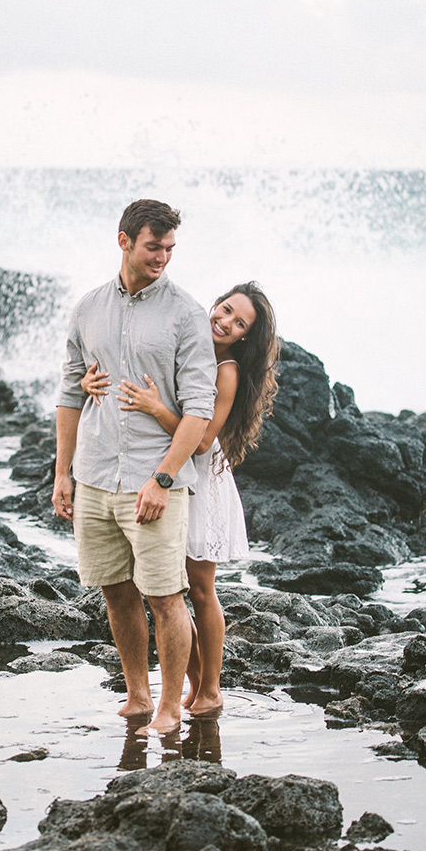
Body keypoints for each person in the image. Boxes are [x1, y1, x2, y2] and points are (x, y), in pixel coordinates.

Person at [52, 199, 217, 735]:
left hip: (154, 479)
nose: (163, 258)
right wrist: (62, 473)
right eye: (153, 247)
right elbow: (69, 394)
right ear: (123, 241)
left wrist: (163, 479)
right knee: (116, 591)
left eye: (170, 249)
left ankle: (172, 705)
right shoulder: (88, 308)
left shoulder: (186, 314)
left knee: (166, 596)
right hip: (96, 475)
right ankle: (138, 695)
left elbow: (199, 410)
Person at [82, 281, 278, 716]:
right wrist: (88, 379)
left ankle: (210, 688)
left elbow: (205, 440)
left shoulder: (225, 369)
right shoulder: (189, 340)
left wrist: (155, 408)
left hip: (200, 478)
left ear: (245, 335)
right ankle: (191, 685)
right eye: (225, 309)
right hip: (165, 467)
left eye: (238, 321)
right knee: (168, 585)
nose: (224, 321)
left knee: (200, 588)